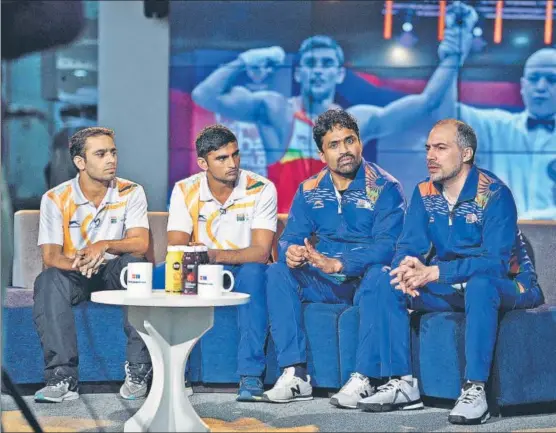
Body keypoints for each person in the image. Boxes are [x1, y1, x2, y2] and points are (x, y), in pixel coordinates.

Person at [191, 3, 477, 212]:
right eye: (310, 64)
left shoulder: (356, 121)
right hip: (283, 228)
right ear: (299, 72)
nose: (318, 71)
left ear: (339, 74)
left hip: (337, 233)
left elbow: (427, 103)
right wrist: (246, 60)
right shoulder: (277, 110)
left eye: (326, 64)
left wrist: (453, 53)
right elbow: (204, 94)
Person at [356, 119, 544, 424]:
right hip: (453, 286)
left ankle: (475, 391)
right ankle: (402, 382)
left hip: (508, 284)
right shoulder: (424, 191)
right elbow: (410, 244)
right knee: (387, 278)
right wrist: (407, 266)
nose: (430, 155)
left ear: (466, 153)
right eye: (428, 148)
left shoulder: (494, 194)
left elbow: (495, 263)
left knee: (482, 285)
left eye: (441, 148)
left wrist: (434, 272)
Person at [261, 109, 405, 406]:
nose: (345, 151)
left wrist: (340, 263)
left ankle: (363, 378)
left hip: (364, 280)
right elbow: (290, 236)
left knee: (381, 273)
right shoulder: (310, 189)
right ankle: (295, 374)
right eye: (334, 145)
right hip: (323, 280)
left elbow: (389, 245)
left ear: (360, 142)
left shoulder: (385, 187)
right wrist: (292, 252)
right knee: (276, 272)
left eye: (349, 140)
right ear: (322, 153)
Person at [33, 127, 153, 402]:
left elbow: (140, 243)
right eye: (101, 154)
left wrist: (104, 246)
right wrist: (82, 263)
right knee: (48, 279)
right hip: (76, 271)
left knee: (136, 265)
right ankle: (62, 378)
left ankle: (139, 371)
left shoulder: (131, 191)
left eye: (113, 152)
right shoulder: (55, 198)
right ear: (80, 162)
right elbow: (51, 256)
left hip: (114, 270)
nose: (111, 159)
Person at [167, 124, 277, 402]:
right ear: (203, 163)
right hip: (203, 269)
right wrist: (200, 256)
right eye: (222, 158)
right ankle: (174, 372)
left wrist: (214, 254)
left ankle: (250, 376)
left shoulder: (261, 188)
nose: (233, 164)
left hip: (244, 267)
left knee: (255, 273)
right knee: (169, 272)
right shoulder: (184, 190)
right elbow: (176, 246)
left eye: (235, 155)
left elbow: (261, 252)